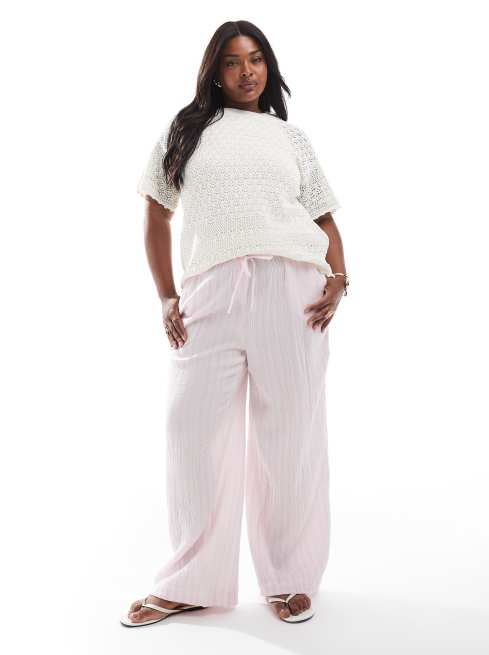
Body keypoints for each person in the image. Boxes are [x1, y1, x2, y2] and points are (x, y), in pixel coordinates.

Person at [121, 20, 349, 628]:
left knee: (291, 437)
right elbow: (156, 211)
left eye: (255, 60)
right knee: (192, 432)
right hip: (210, 292)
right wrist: (166, 296)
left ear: (268, 67)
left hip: (293, 292)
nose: (246, 72)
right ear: (214, 71)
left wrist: (339, 276)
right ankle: (190, 581)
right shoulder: (185, 130)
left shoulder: (289, 137)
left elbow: (323, 217)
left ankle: (291, 577)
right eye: (231, 61)